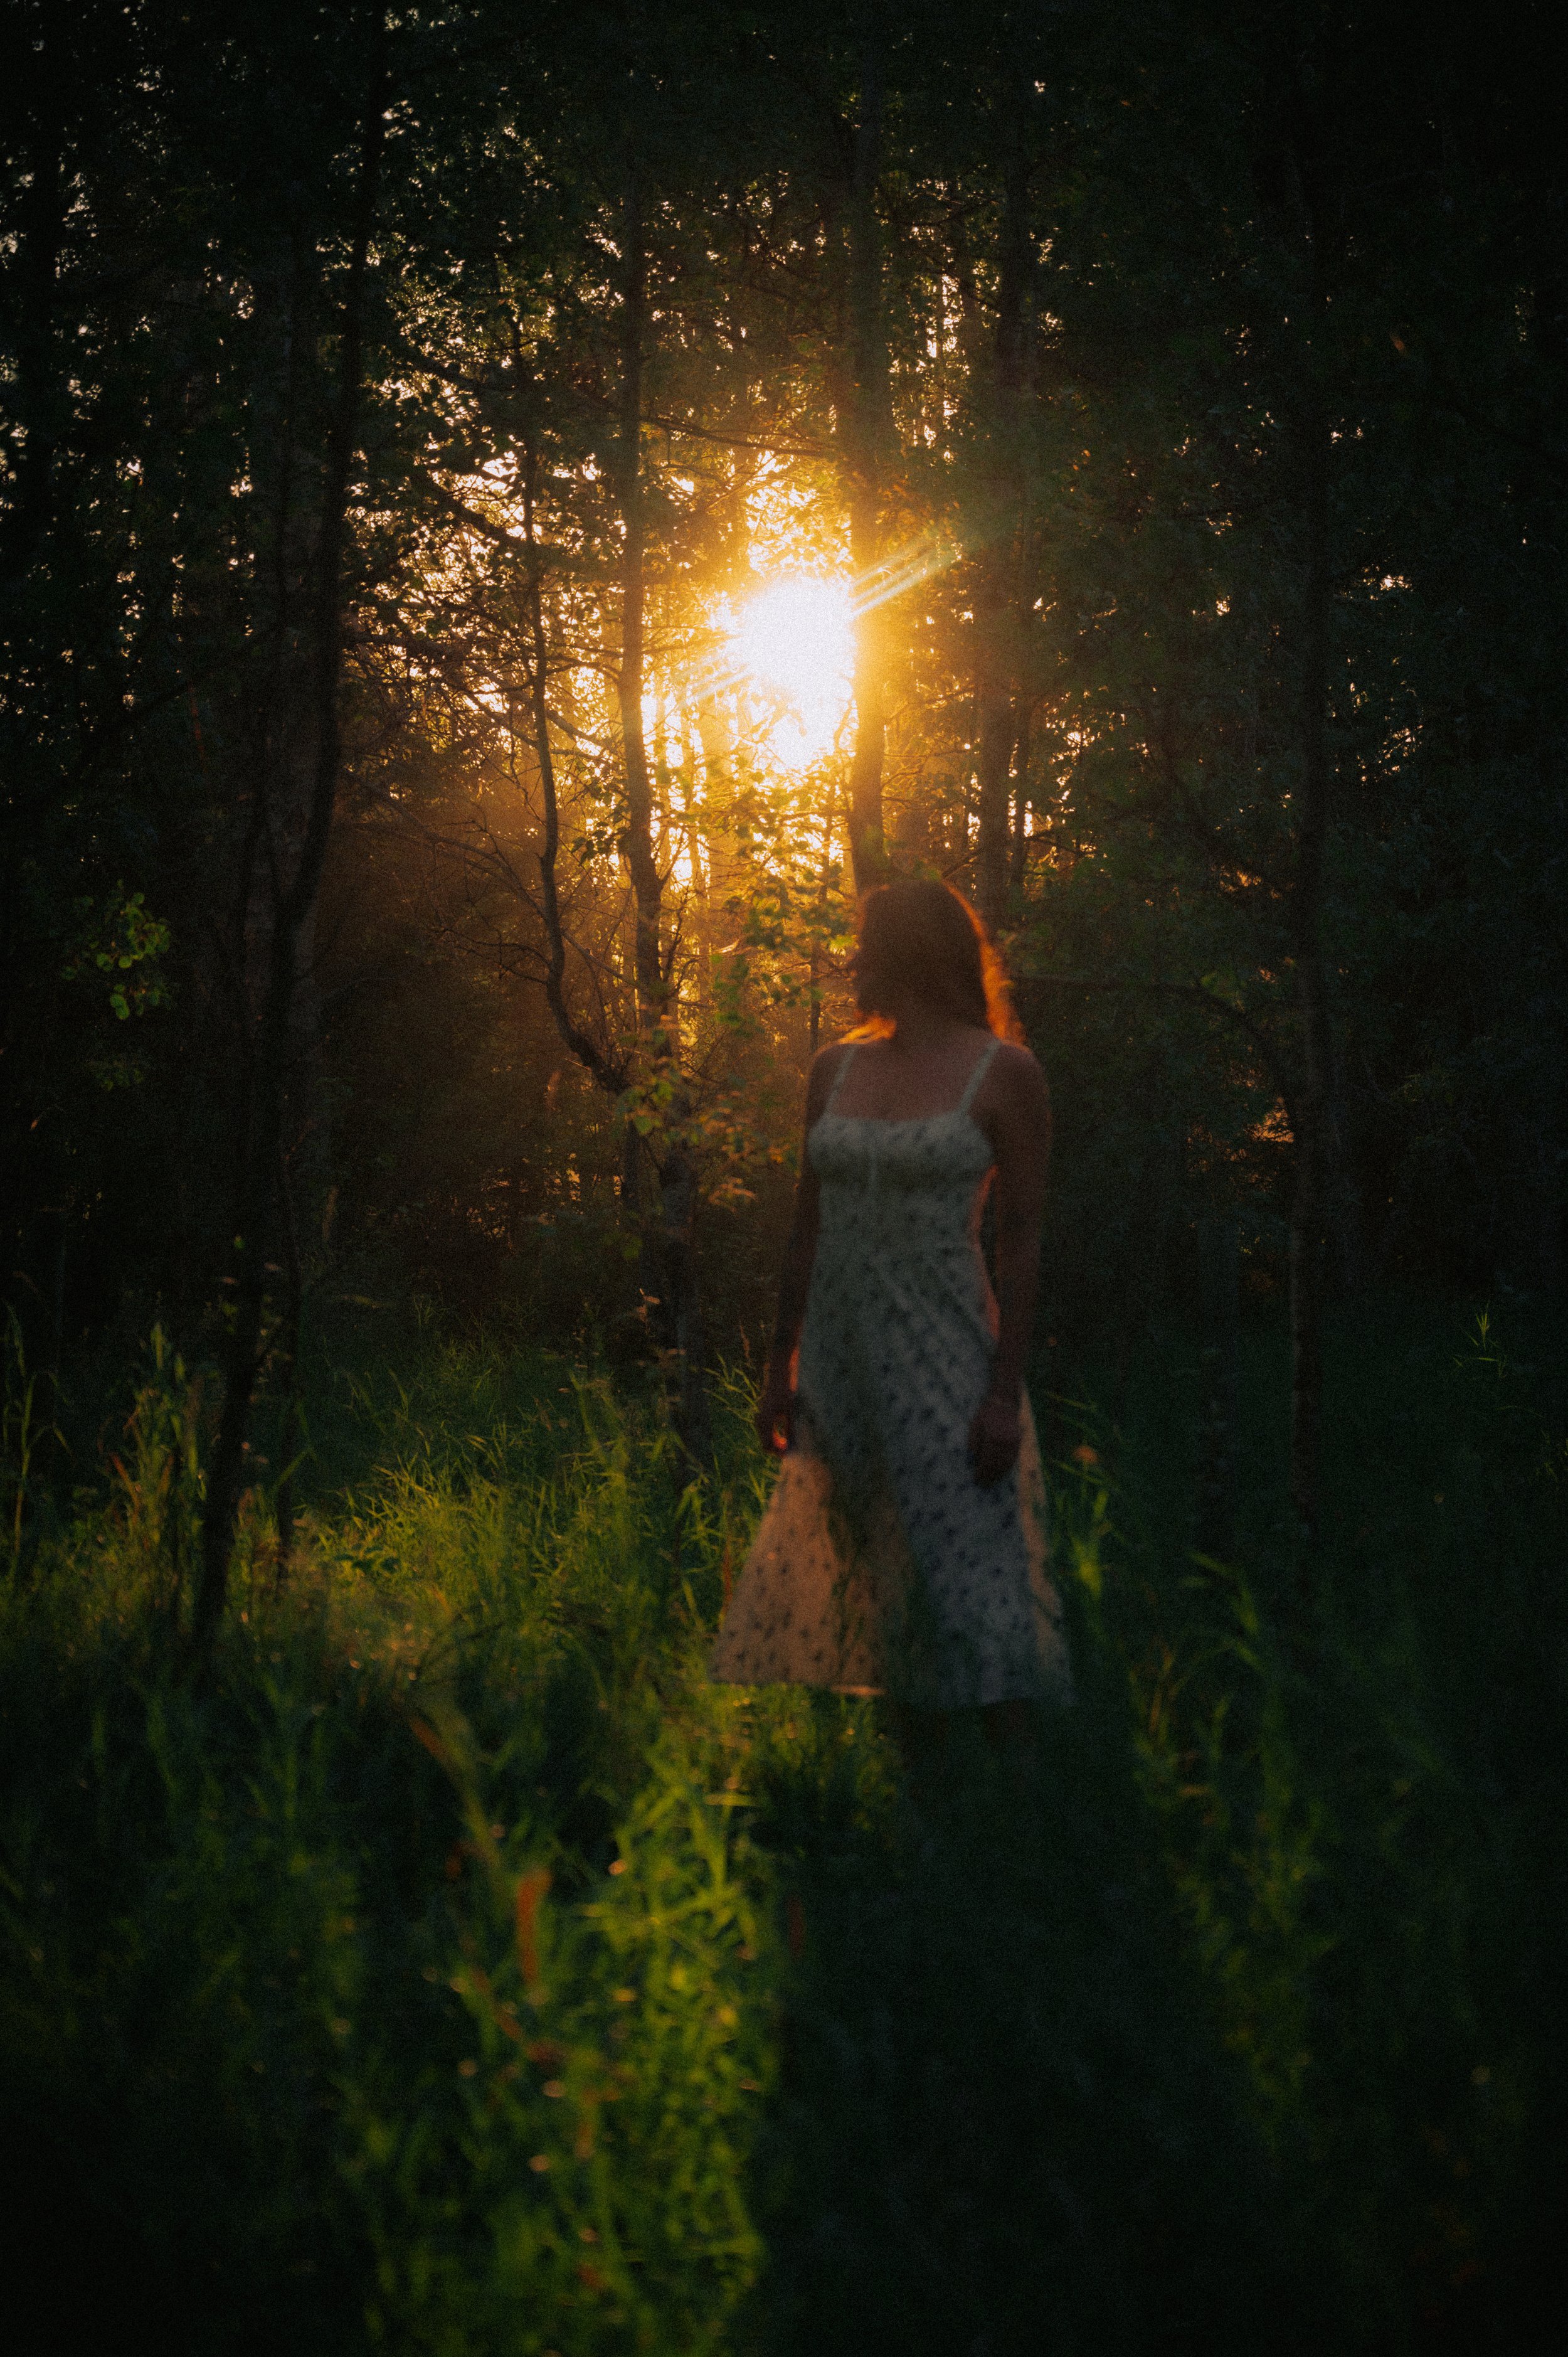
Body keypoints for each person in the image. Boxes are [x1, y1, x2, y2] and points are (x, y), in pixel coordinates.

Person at [710, 876, 1070, 1743]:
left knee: (969, 1580)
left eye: (870, 940)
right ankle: (917, 1792)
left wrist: (1001, 1392)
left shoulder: (1005, 1071)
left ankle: (1021, 1799)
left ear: (913, 950)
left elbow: (1022, 1242)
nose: (855, 955)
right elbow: (806, 1225)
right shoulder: (835, 1065)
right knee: (872, 1574)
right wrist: (778, 1366)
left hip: (945, 1354)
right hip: (842, 1358)